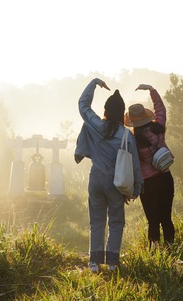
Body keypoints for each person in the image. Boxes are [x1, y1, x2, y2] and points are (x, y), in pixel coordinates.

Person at [75, 78, 143, 273]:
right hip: (116, 182)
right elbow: (135, 165)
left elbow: (83, 105)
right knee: (116, 222)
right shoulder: (126, 135)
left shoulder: (95, 125)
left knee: (96, 221)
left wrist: (94, 83)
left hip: (95, 178)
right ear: (122, 114)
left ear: (105, 111)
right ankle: (112, 263)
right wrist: (136, 189)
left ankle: (94, 263)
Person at [126, 83, 175, 248]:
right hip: (166, 178)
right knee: (166, 219)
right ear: (146, 116)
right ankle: (170, 250)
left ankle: (154, 255)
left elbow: (131, 164)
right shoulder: (158, 128)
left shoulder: (132, 140)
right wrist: (152, 90)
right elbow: (161, 109)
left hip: (148, 184)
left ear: (132, 121)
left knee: (153, 222)